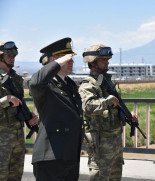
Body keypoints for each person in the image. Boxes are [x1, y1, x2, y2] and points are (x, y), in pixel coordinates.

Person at [79, 44, 138, 180]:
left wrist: (127, 116)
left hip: (115, 142)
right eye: (103, 60)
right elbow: (87, 106)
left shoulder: (107, 83)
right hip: (100, 144)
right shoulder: (88, 84)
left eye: (107, 59)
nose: (107, 62)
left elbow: (114, 109)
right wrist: (108, 101)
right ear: (93, 62)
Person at [29, 37, 84, 181]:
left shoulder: (69, 84)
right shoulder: (46, 85)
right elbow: (34, 83)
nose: (71, 61)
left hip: (69, 154)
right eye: (67, 58)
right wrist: (56, 63)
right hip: (51, 156)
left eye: (71, 58)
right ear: (54, 60)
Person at [0, 41, 38, 180]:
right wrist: (5, 100)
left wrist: (29, 116)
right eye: (8, 55)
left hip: (17, 135)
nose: (12, 58)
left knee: (16, 176)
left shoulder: (15, 78)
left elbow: (20, 102)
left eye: (14, 55)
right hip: (1, 136)